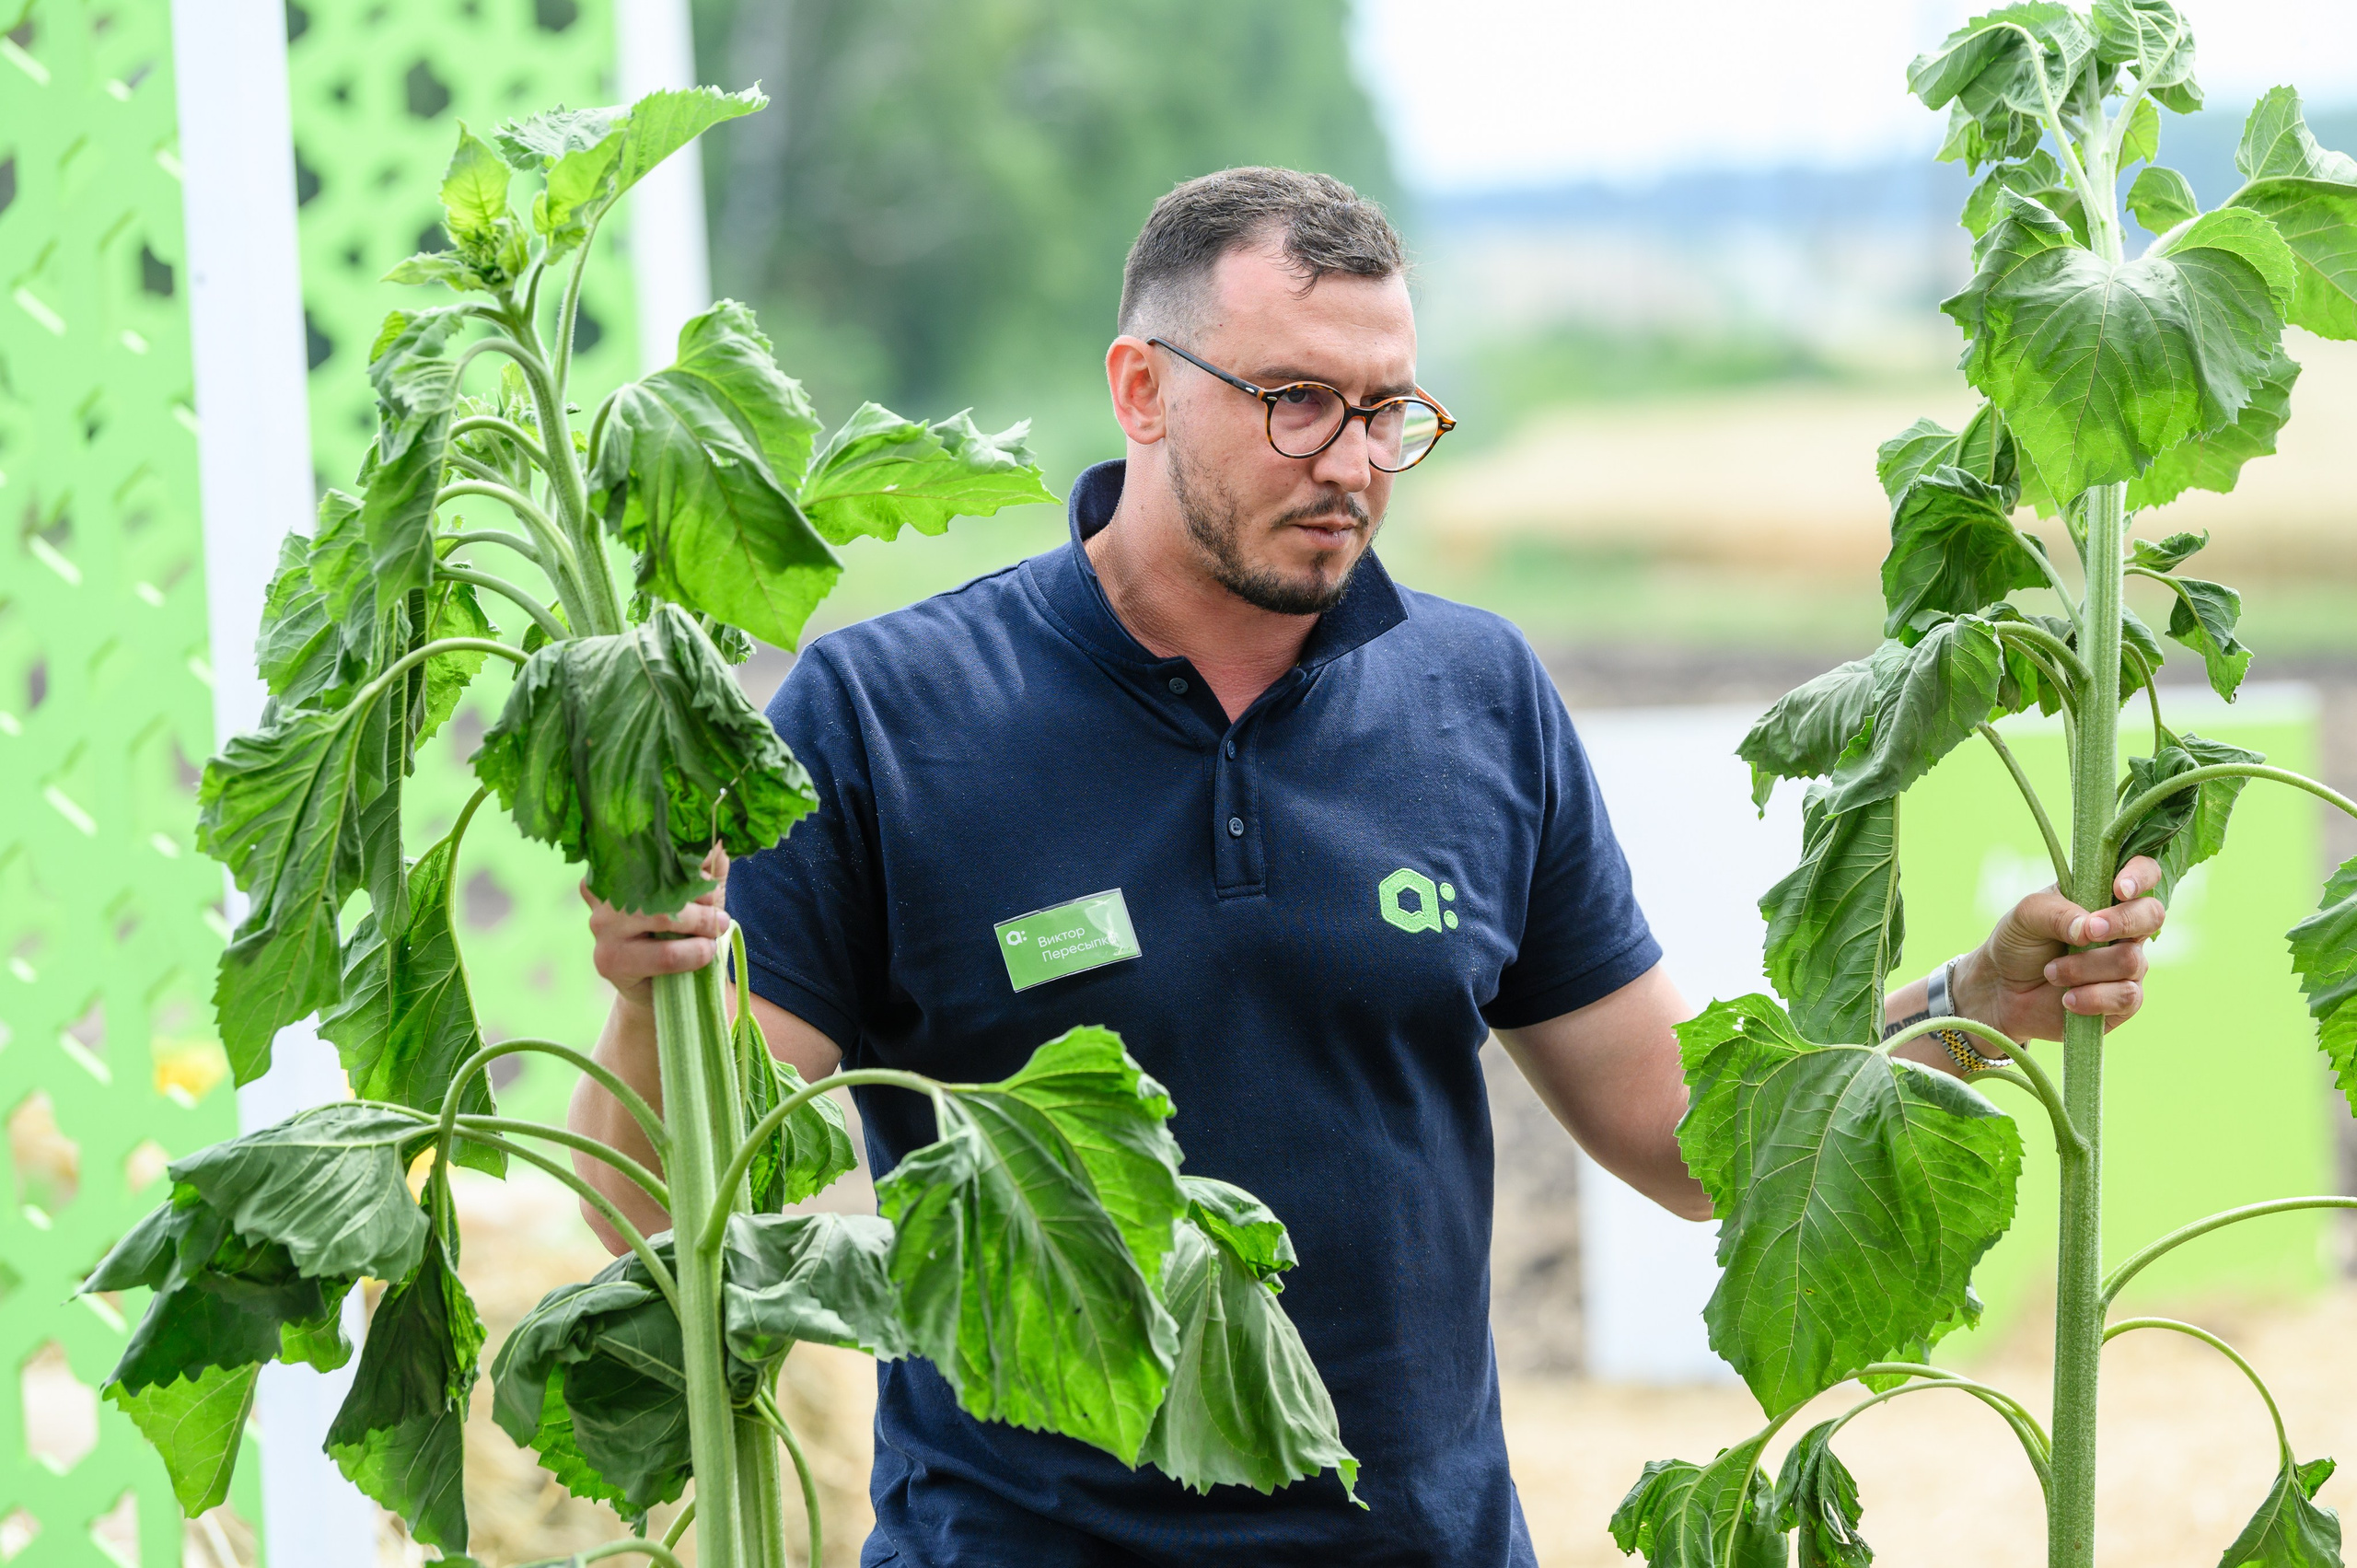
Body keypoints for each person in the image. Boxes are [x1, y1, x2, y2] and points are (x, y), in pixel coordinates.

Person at [570, 168, 2166, 1567]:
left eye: (1387, 408)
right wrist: (655, 985)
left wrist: (1970, 1001)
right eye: (1294, 400)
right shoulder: (892, 712)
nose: (1351, 460)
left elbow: (1687, 1142)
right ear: (1141, 388)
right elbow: (663, 1207)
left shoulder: (1478, 698)